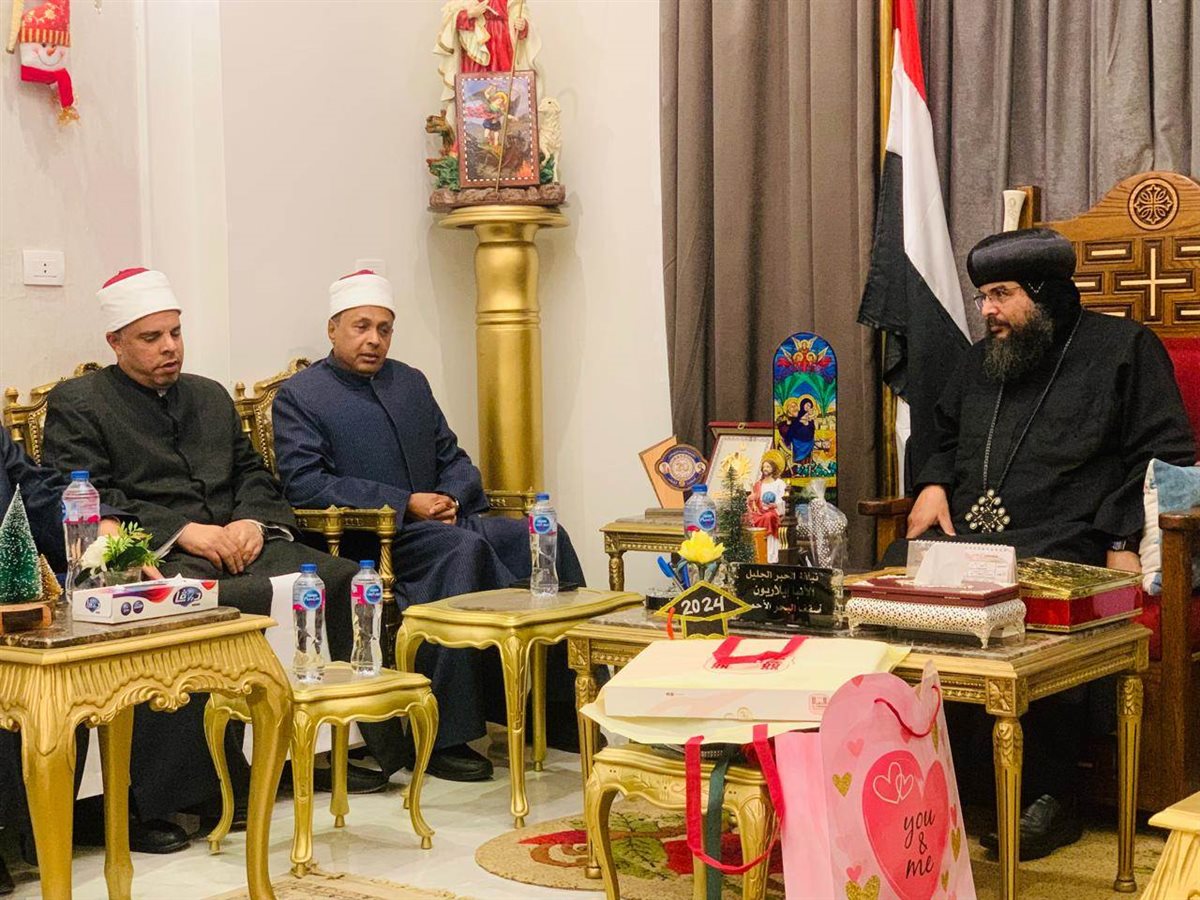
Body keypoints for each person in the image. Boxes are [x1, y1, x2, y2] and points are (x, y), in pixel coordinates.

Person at [39, 268, 403, 842]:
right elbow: (84, 491)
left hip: (240, 542)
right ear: (115, 342)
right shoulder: (80, 402)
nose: (170, 348)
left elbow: (252, 472)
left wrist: (251, 523)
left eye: (175, 333)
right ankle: (203, 786)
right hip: (159, 554)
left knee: (340, 580)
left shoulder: (207, 394)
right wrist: (183, 531)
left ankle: (326, 748)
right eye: (152, 337)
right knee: (205, 606)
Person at [901, 228, 1195, 859]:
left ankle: (1050, 795)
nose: (987, 311)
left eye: (1001, 294)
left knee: (1044, 599)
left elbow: (1162, 452)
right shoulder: (981, 361)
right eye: (982, 297)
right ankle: (928, 785)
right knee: (888, 594)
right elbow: (939, 434)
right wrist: (932, 482)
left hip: (1070, 537)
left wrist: (1122, 532)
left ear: (1046, 292)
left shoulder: (1124, 349)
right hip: (970, 541)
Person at [271, 269, 588, 782]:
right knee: (461, 552)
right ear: (333, 329)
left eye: (384, 329)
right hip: (372, 538)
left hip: (440, 522)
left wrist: (451, 497)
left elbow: (453, 458)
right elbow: (306, 484)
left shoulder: (409, 382)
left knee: (543, 535)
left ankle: (554, 710)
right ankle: (444, 734)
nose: (374, 339)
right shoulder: (302, 395)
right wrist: (406, 504)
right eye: (361, 327)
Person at [746, 450, 786, 563]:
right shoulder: (759, 484)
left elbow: (784, 499)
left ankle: (771, 555)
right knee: (747, 517)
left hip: (774, 511)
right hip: (760, 512)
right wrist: (750, 499)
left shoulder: (779, 483)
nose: (765, 469)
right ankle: (756, 551)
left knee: (769, 517)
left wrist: (775, 505)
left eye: (768, 466)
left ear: (773, 468)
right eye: (764, 467)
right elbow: (753, 502)